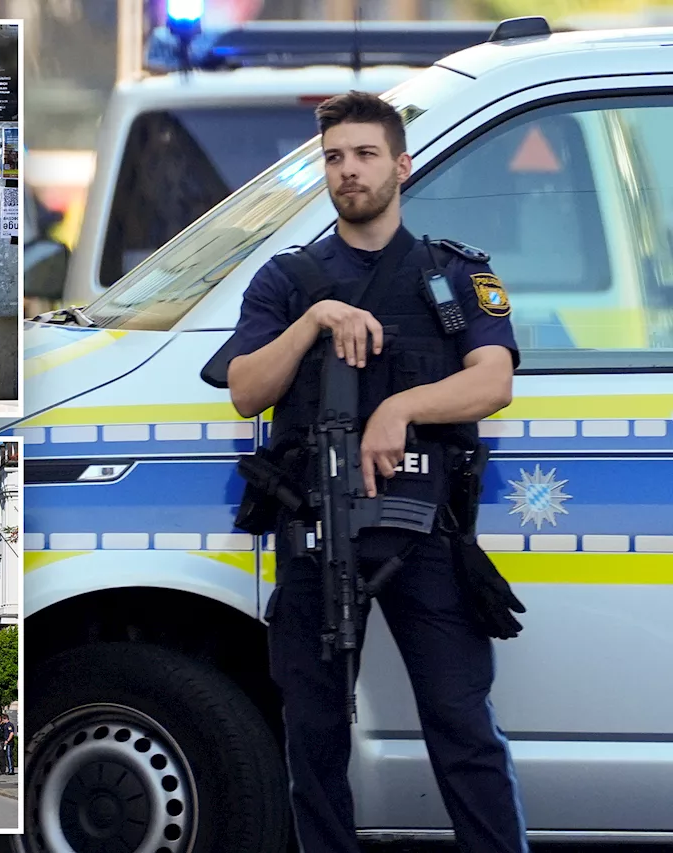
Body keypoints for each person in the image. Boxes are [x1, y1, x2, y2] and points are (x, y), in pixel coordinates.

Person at [225, 91, 527, 853]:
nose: (348, 170)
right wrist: (314, 320)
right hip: (317, 532)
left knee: (462, 724)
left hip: (426, 532)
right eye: (333, 158)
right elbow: (245, 389)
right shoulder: (288, 280)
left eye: (363, 155)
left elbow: (493, 380)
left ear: (401, 164)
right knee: (314, 737)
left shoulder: (454, 275)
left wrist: (402, 410)